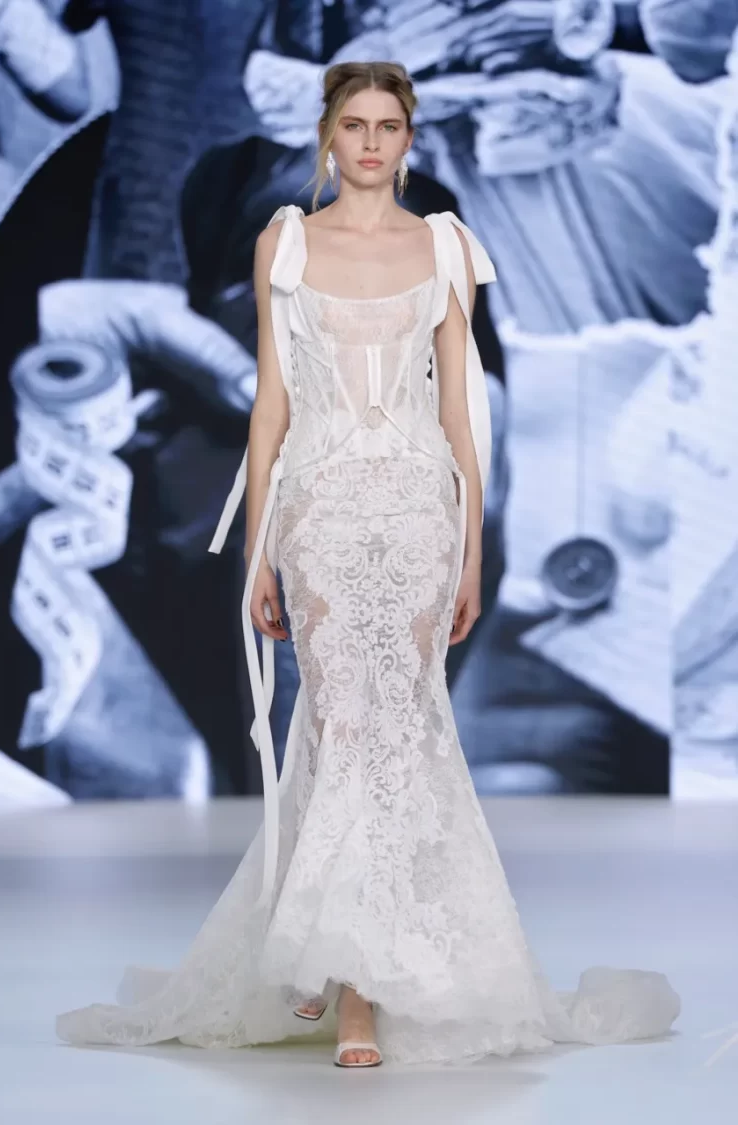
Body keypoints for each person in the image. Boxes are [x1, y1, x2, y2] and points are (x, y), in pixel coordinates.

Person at [56, 60, 680, 1068]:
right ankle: (340, 962)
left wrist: (471, 549)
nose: (373, 144)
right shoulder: (284, 242)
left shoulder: (447, 244)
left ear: (409, 138)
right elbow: (271, 403)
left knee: (398, 728)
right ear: (330, 136)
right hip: (320, 508)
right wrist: (257, 546)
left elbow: (462, 408)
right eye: (356, 126)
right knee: (340, 725)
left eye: (390, 126)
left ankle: (346, 968)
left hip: (419, 508)